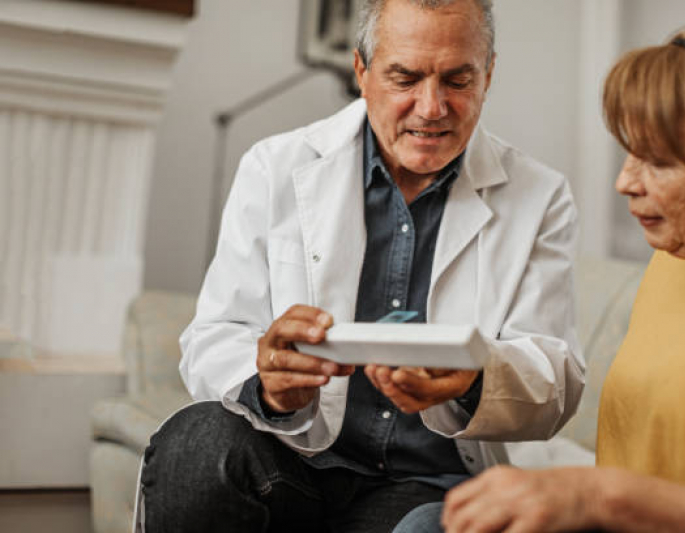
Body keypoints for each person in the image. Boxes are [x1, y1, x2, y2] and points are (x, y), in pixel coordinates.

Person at [139, 0, 585, 531]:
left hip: (424, 481)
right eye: (405, 78)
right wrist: (269, 383)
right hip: (292, 457)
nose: (431, 106)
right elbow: (215, 336)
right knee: (196, 441)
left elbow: (556, 380)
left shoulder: (542, 196)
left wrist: (473, 377)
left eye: (457, 80)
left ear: (488, 75)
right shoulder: (274, 167)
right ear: (362, 71)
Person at [394, 16, 685, 533]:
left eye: (658, 161)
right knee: (434, 521)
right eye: (630, 152)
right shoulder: (680, 254)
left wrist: (602, 497)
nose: (624, 182)